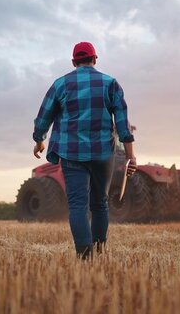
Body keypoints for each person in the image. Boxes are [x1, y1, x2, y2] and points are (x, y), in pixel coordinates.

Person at [32, 42, 137, 260]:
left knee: (78, 205)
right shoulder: (110, 84)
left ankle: (85, 256)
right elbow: (123, 123)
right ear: (95, 59)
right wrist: (130, 155)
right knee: (100, 203)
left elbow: (44, 118)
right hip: (103, 153)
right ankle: (99, 251)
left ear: (73, 62)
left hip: (72, 154)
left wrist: (39, 140)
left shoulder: (60, 84)